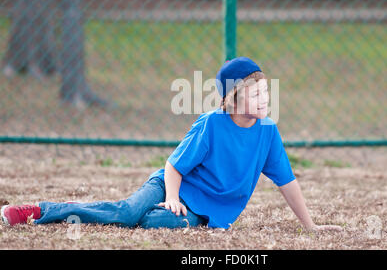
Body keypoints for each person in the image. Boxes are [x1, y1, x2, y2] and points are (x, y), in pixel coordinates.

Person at [1, 57, 342, 232]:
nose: (265, 98)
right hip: (170, 185)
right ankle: (39, 211)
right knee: (128, 212)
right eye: (256, 93)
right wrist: (172, 198)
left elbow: (287, 182)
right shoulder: (211, 124)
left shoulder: (267, 132)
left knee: (158, 224)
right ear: (233, 100)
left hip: (204, 211)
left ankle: (150, 215)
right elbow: (174, 166)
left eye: (266, 91)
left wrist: (310, 226)